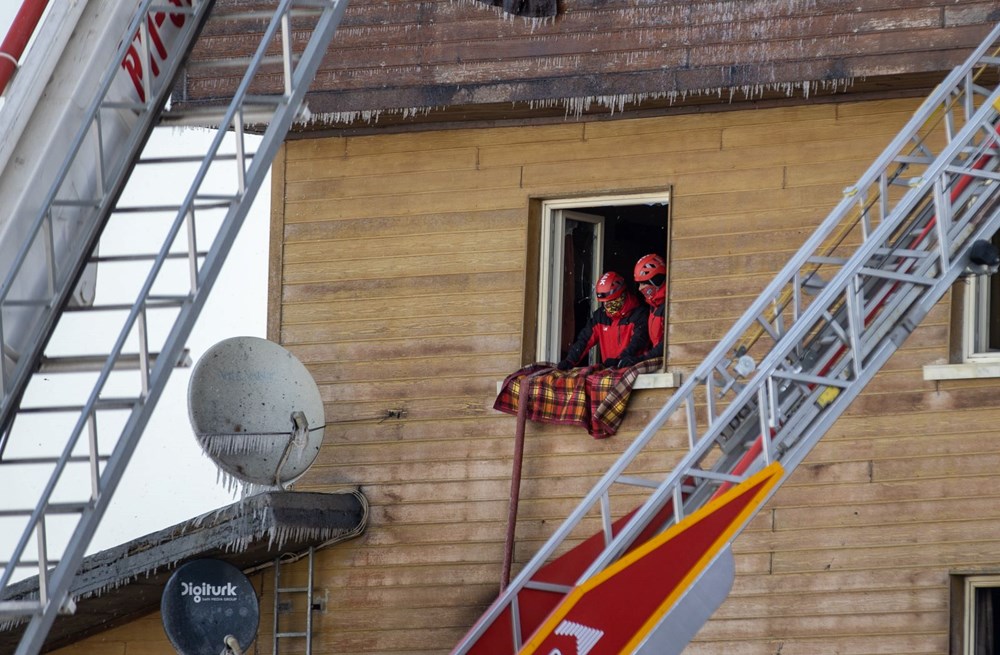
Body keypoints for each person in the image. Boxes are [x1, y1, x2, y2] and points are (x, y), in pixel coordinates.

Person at [557, 271, 650, 370]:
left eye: (611, 301)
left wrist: (620, 360)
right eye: (604, 303)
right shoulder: (600, 317)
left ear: (621, 295)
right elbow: (584, 340)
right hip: (610, 373)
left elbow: (638, 342)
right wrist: (570, 361)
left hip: (635, 372)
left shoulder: (639, 315)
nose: (607, 306)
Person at [619, 253, 667, 368]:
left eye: (643, 283)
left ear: (656, 281)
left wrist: (641, 359)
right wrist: (623, 357)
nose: (640, 288)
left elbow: (666, 345)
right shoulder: (653, 305)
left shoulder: (669, 306)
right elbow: (643, 337)